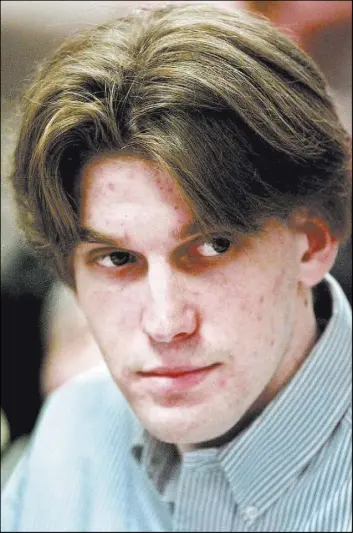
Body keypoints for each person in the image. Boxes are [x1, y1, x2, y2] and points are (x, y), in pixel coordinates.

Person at [1, 3, 351, 531]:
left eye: (213, 247)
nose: (166, 324)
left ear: (313, 243)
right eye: (118, 259)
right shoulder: (72, 436)